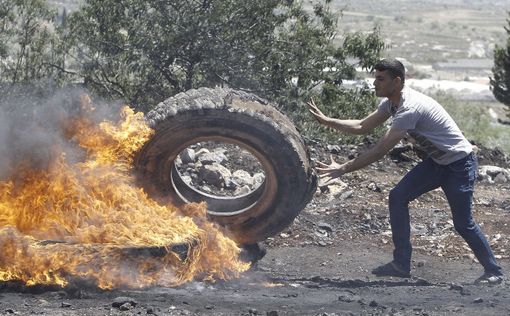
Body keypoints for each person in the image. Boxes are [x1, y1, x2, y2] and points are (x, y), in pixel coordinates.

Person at [307, 58, 503, 284]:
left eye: (380, 79)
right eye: (375, 78)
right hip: (437, 163)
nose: (374, 83)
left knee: (462, 223)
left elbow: (380, 150)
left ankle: (494, 272)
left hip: (459, 165)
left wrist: (343, 169)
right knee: (397, 197)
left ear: (397, 81)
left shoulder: (409, 108)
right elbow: (362, 126)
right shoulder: (392, 103)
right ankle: (401, 264)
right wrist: (328, 121)